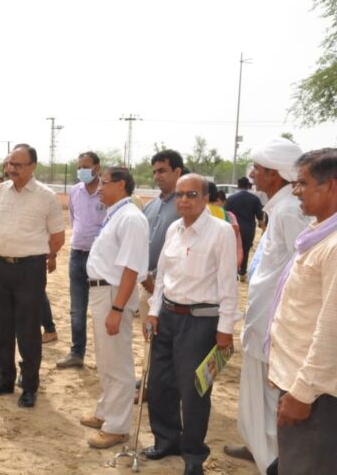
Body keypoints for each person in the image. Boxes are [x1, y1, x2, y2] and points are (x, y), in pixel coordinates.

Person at [143, 174, 239, 475]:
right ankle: (166, 439)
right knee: (159, 385)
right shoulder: (174, 228)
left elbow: (228, 283)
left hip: (200, 322)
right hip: (167, 317)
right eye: (180, 194)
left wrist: (226, 327)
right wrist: (153, 310)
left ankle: (194, 452)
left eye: (192, 194)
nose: (184, 200)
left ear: (206, 197)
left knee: (194, 391)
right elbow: (162, 276)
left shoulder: (220, 231)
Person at [224, 138, 309, 473]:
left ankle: (272, 460)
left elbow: (298, 274)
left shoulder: (290, 211)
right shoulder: (280, 208)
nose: (253, 174)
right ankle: (261, 450)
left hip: (274, 328)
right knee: (258, 399)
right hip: (262, 322)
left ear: (274, 174)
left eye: (258, 169)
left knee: (269, 399)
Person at [267, 148, 337, 475]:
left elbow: (330, 330)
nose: (295, 191)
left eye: (303, 183)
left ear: (331, 187)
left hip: (317, 394)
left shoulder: (334, 246)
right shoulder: (319, 235)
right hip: (304, 384)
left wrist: (302, 393)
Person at [0, 144, 65, 408]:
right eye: (9, 164)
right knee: (1, 325)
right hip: (0, 266)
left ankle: (29, 386)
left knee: (28, 329)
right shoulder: (0, 191)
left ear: (32, 167)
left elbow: (58, 237)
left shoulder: (46, 197)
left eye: (17, 165)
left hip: (30, 270)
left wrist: (37, 256)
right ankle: (5, 380)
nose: (11, 169)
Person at [79, 166, 149, 449]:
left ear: (120, 185)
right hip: (102, 293)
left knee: (117, 363)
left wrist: (118, 309)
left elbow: (132, 268)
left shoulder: (131, 218)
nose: (99, 188)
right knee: (106, 359)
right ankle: (106, 412)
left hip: (113, 294)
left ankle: (118, 426)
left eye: (104, 183)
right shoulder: (116, 215)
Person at [136, 149, 185, 401]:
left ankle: (161, 388)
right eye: (154, 171)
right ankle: (150, 383)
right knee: (150, 338)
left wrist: (159, 281)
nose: (157, 176)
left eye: (163, 171)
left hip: (172, 289)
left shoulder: (186, 205)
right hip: (147, 285)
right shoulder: (151, 205)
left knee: (169, 344)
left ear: (178, 171)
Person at [56, 151, 106, 369]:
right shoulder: (75, 191)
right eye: (79, 167)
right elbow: (74, 219)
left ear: (97, 167)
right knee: (77, 309)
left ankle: (105, 357)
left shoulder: (106, 191)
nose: (81, 171)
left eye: (85, 166)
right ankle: (77, 353)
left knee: (101, 309)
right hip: (77, 254)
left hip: (101, 258)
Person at [224, 176, 264, 281]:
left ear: (237, 185)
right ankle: (242, 272)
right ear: (248, 186)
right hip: (248, 228)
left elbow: (225, 214)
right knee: (245, 250)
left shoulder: (231, 198)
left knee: (232, 250)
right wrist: (264, 229)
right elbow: (260, 217)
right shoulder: (255, 199)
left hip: (233, 227)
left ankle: (233, 272)